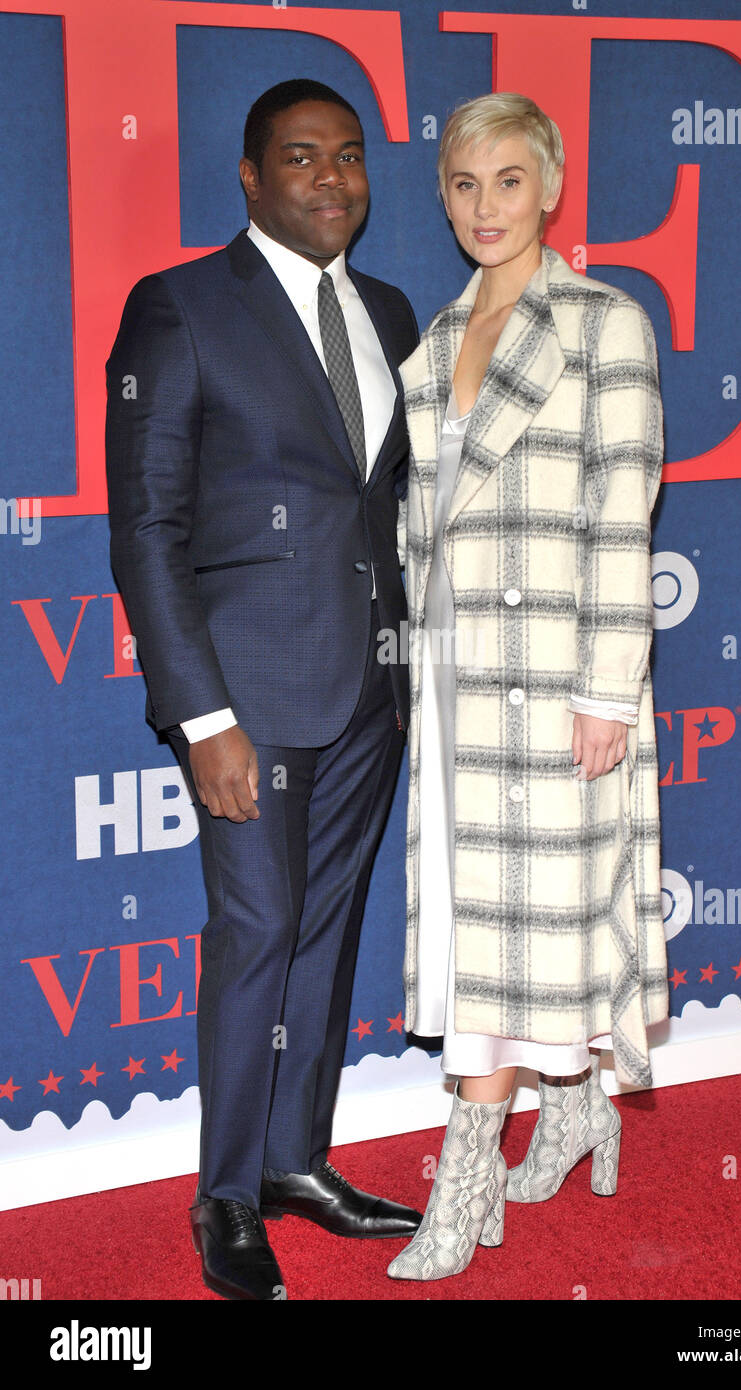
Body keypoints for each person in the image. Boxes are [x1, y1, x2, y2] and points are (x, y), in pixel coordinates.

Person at [106, 79, 423, 1301]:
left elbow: (389, 507)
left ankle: (298, 1161)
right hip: (246, 698)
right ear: (249, 176)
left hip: (369, 692)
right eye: (303, 159)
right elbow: (147, 528)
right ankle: (225, 1194)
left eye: (349, 158)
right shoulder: (182, 307)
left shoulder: (393, 310)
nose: (332, 179)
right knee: (255, 933)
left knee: (326, 935)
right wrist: (203, 715)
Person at [388, 92, 669, 1282]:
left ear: (550, 187)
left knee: (527, 932)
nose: (485, 207)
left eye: (509, 181)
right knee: (476, 924)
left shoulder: (605, 322)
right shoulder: (426, 341)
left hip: (558, 681)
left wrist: (607, 690)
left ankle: (464, 1176)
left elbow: (623, 510)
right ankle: (574, 1108)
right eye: (463, 184)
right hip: (455, 680)